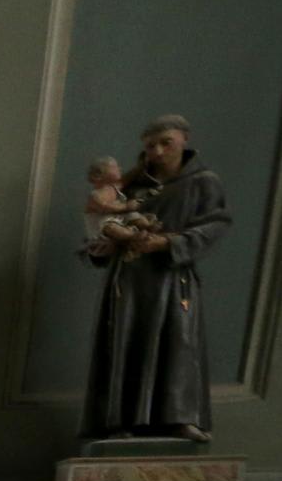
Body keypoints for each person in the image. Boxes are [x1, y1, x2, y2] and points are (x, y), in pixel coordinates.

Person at [83, 114, 229, 442]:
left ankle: (180, 418)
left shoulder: (203, 181)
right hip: (130, 278)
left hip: (171, 276)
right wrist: (102, 247)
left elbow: (215, 224)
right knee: (124, 341)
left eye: (167, 143)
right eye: (152, 146)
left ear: (184, 141)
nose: (159, 151)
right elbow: (99, 223)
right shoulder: (132, 186)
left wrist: (167, 242)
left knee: (179, 343)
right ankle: (117, 422)